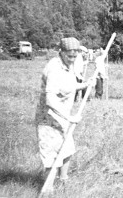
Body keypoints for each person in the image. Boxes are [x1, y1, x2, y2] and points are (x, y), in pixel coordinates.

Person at [35, 37, 93, 184]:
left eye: (75, 56)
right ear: (61, 52)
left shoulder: (69, 64)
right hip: (49, 118)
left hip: (63, 117)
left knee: (67, 148)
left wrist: (85, 84)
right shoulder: (54, 68)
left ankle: (63, 180)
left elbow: (69, 85)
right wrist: (69, 117)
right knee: (51, 154)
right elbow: (50, 100)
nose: (72, 59)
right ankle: (48, 187)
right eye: (69, 56)